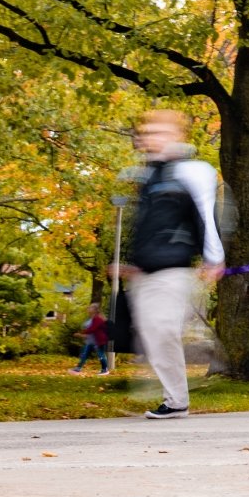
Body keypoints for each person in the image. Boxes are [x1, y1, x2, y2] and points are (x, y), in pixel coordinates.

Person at [115, 108, 225, 419]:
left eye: (158, 131)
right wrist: (131, 263)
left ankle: (176, 400)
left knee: (163, 328)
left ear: (176, 135)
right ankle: (175, 399)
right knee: (150, 333)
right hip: (145, 270)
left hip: (175, 267)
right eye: (147, 132)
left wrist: (213, 258)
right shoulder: (147, 176)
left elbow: (206, 215)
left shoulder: (192, 171)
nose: (150, 137)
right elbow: (144, 225)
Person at [71, 303, 112, 376]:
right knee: (85, 354)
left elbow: (92, 329)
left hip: (99, 340)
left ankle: (105, 370)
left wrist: (81, 333)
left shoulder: (97, 318)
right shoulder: (93, 318)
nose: (89, 308)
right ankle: (78, 368)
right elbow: (91, 329)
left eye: (91, 308)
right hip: (92, 341)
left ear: (94, 310)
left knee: (101, 355)